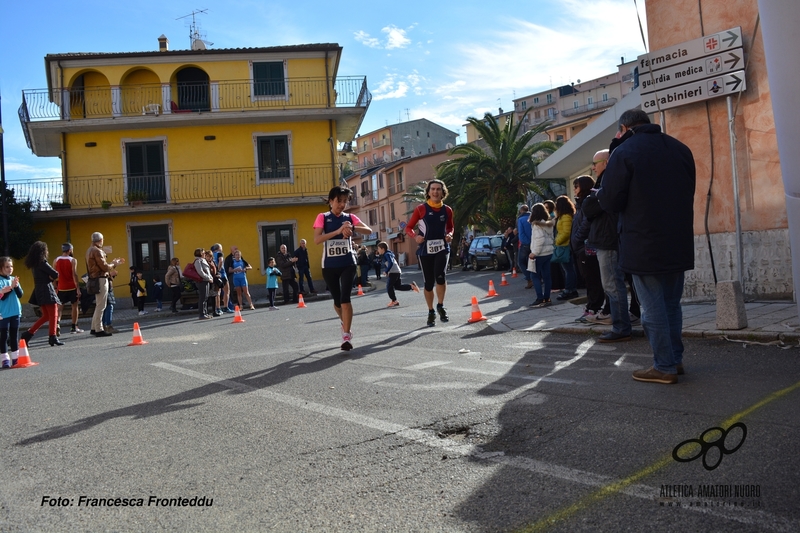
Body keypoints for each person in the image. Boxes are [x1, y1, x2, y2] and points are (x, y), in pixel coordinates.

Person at [597, 109, 696, 384]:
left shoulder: (625, 151)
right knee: (671, 305)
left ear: (625, 128)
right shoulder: (680, 148)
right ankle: (674, 361)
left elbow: (611, 201)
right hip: (678, 240)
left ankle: (663, 366)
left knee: (652, 308)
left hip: (643, 242)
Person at [313, 186, 372, 351]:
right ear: (331, 200)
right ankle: (344, 322)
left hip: (348, 263)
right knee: (337, 302)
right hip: (329, 265)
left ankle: (346, 335)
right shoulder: (323, 217)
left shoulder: (350, 217)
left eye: (345, 201)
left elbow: (368, 230)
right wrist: (338, 231)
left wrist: (353, 228)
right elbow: (317, 240)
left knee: (346, 299)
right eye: (339, 201)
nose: (342, 204)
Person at [582, 149, 632, 342]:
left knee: (612, 284)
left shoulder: (609, 182)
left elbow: (590, 207)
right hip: (607, 238)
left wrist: (590, 201)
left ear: (606, 162)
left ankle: (621, 327)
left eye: (596, 163)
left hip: (609, 239)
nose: (593, 167)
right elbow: (589, 206)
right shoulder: (604, 182)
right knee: (612, 284)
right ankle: (621, 325)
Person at [405, 179, 454, 327]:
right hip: (425, 250)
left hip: (442, 247)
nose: (435, 192)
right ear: (428, 192)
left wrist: (450, 235)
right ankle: (431, 311)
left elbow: (451, 227)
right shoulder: (421, 209)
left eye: (438, 189)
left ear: (442, 192)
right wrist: (416, 237)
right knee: (428, 283)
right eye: (432, 189)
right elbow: (408, 228)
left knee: (440, 275)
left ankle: (440, 305)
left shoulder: (447, 210)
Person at [571, 175, 605, 322]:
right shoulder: (580, 204)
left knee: (593, 280)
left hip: (586, 248)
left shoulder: (588, 203)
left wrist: (577, 239)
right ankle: (591, 306)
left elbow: (586, 224)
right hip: (580, 248)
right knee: (588, 280)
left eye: (577, 186)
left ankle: (594, 308)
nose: (574, 189)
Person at [20, 241, 64, 346]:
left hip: (38, 290)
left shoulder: (34, 264)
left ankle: (28, 334)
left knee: (46, 316)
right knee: (54, 314)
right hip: (46, 289)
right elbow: (55, 273)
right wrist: (50, 277)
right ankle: (52, 336)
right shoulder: (42, 262)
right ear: (43, 251)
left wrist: (48, 277)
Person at [86, 232, 125, 337]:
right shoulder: (97, 251)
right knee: (101, 305)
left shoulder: (89, 250)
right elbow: (105, 267)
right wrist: (114, 263)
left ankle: (94, 328)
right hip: (101, 279)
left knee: (98, 305)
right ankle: (99, 329)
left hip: (94, 278)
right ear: (100, 240)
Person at [527, 204, 554, 307]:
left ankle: (540, 298)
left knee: (535, 276)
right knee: (547, 276)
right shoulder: (548, 223)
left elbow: (540, 239)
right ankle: (547, 298)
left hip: (539, 254)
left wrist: (534, 253)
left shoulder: (536, 225)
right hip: (548, 252)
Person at [378, 241, 419, 307]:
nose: (378, 250)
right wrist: (388, 271)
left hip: (394, 272)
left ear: (383, 249)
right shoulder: (387, 254)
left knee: (389, 287)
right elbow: (389, 263)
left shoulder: (387, 254)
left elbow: (391, 262)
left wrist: (386, 271)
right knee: (398, 286)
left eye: (379, 248)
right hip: (396, 271)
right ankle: (411, 286)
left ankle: (394, 301)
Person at [54, 243, 84, 334]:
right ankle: (74, 327)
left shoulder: (56, 260)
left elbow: (53, 274)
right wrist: (78, 288)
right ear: (70, 250)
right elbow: (74, 274)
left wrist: (55, 286)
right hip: (71, 287)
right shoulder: (73, 260)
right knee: (74, 307)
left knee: (59, 308)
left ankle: (57, 324)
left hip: (61, 287)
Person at [554, 196, 579, 300]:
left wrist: (557, 241)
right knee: (568, 269)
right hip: (564, 245)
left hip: (565, 245)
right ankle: (571, 289)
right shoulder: (565, 216)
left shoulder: (565, 217)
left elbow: (566, 232)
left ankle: (569, 290)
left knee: (568, 269)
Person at [0, 257, 24, 368]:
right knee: (3, 336)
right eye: (7, 267)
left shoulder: (14, 279)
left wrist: (16, 286)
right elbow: (2, 297)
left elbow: (20, 294)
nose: (10, 269)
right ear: (1, 268)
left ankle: (15, 358)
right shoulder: (0, 281)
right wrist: (11, 288)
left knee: (14, 336)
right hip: (3, 313)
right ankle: (5, 359)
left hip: (15, 311)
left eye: (11, 266)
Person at [194, 248, 213, 319]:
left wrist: (210, 278)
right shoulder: (197, 261)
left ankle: (205, 312)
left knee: (206, 297)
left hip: (206, 280)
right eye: (204, 253)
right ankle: (202, 314)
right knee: (203, 297)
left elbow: (207, 270)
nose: (205, 254)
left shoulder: (203, 260)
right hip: (201, 281)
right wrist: (208, 278)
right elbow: (200, 272)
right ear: (200, 253)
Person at [211, 244, 230, 313]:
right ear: (219, 248)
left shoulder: (211, 255)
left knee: (217, 292)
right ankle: (225, 307)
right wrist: (218, 269)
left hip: (215, 276)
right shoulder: (220, 253)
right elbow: (221, 261)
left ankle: (218, 308)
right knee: (226, 291)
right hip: (222, 274)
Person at [517, 205, 533, 287]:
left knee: (521, 262)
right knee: (533, 262)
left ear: (521, 210)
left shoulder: (521, 219)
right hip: (534, 243)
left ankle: (529, 278)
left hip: (525, 244)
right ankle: (536, 278)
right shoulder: (533, 217)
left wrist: (526, 242)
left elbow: (521, 233)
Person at [102, 269, 120, 334]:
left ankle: (104, 326)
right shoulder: (102, 266)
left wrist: (112, 276)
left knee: (105, 308)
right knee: (109, 307)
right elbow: (103, 277)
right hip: (106, 290)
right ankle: (108, 326)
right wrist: (110, 275)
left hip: (107, 290)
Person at [204, 250, 221, 317]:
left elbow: (217, 270)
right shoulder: (204, 263)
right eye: (207, 256)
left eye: (210, 256)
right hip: (208, 281)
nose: (209, 258)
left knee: (214, 296)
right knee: (207, 297)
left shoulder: (213, 262)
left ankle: (214, 311)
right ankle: (206, 312)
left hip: (214, 281)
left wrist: (218, 274)